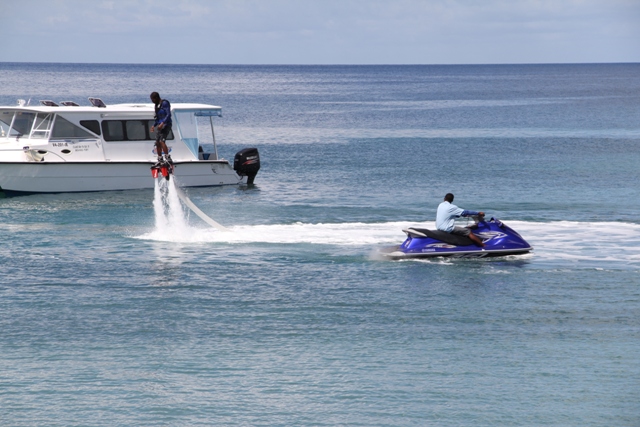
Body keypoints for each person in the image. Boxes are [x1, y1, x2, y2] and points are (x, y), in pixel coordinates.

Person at [149, 92, 172, 164]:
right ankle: (160, 158)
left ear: (156, 98)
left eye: (152, 99)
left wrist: (163, 123)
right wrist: (153, 126)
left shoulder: (164, 103)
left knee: (162, 141)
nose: (152, 101)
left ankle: (167, 157)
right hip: (160, 126)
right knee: (157, 142)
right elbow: (157, 119)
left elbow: (168, 114)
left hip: (166, 125)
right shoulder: (156, 106)